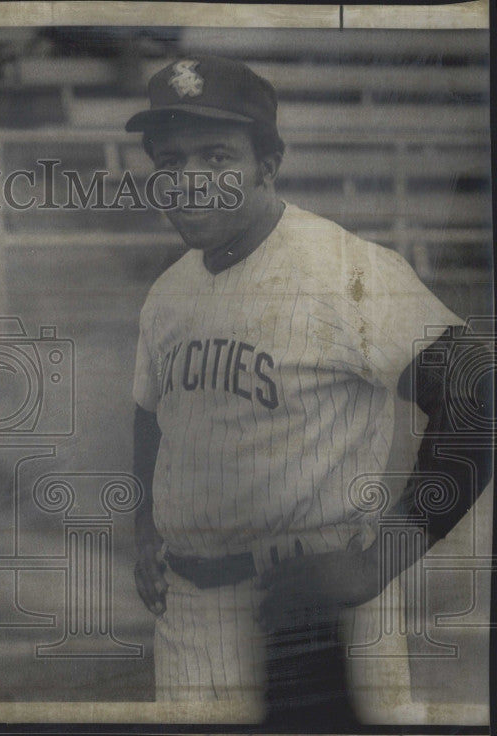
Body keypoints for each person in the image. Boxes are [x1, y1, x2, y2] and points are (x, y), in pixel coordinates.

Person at [126, 55, 492, 724]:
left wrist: (379, 562)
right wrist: (141, 524)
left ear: (268, 164)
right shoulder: (169, 291)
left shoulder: (342, 270)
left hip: (313, 607)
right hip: (187, 613)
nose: (190, 182)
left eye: (217, 157)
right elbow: (152, 412)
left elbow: (478, 397)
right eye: (170, 161)